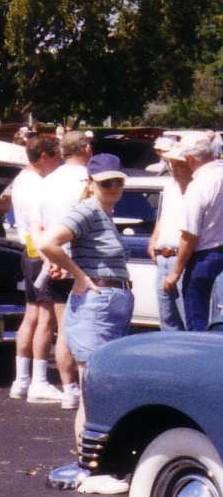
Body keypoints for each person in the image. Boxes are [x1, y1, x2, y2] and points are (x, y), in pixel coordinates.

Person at [36, 163, 133, 480]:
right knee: (94, 383)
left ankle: (96, 462)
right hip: (97, 302)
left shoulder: (104, 214)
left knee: (103, 381)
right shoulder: (88, 210)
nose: (114, 188)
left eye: (118, 182)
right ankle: (87, 465)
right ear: (91, 183)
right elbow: (48, 242)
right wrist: (78, 276)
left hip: (111, 302)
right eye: (106, 183)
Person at [162, 134, 223, 331]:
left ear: (191, 159)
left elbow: (189, 234)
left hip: (203, 259)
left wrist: (175, 272)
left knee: (198, 324)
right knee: (221, 323)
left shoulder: (198, 185)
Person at [36, 130, 93, 409]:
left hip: (54, 257)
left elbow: (42, 225)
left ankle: (69, 388)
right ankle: (80, 388)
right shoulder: (86, 181)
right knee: (84, 327)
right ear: (85, 148)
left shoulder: (48, 181)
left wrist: (51, 260)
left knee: (63, 327)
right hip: (80, 260)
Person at [8, 134, 63, 403]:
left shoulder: (23, 181)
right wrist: (49, 258)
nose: (60, 161)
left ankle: (22, 380)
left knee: (32, 314)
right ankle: (39, 382)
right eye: (57, 156)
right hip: (38, 251)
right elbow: (35, 225)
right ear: (44, 157)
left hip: (29, 252)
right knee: (44, 317)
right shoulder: (35, 184)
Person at [146, 141, 192, 330]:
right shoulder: (169, 187)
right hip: (163, 257)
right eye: (172, 164)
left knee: (188, 318)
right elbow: (162, 218)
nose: (175, 169)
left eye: (180, 164)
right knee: (167, 319)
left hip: (184, 259)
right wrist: (153, 241)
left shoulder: (197, 189)